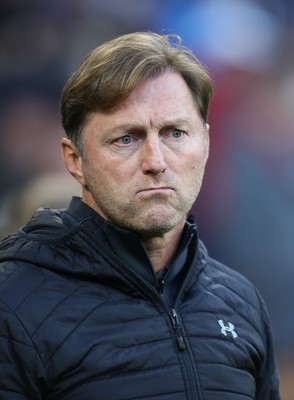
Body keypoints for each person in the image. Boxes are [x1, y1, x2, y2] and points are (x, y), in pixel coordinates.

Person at [0, 31, 280, 400]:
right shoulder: (11, 303)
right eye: (126, 139)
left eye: (175, 133)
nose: (156, 161)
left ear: (207, 143)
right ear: (75, 160)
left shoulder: (241, 303)